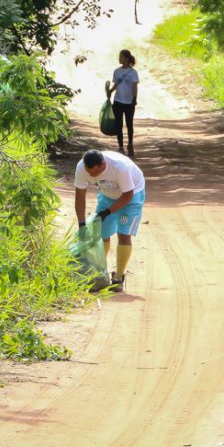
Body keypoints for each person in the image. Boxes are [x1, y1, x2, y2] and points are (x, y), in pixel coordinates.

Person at [74, 149, 146, 292]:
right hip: (107, 195)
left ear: (103, 165)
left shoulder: (119, 168)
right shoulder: (81, 168)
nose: (91, 176)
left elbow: (128, 195)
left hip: (132, 194)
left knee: (124, 234)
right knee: (101, 234)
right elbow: (80, 196)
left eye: (95, 173)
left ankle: (119, 277)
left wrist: (108, 212)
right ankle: (99, 273)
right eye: (89, 173)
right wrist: (81, 224)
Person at [107, 49, 139, 156]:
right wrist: (110, 91)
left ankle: (130, 145)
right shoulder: (117, 71)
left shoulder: (133, 73)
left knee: (129, 124)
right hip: (118, 101)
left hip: (129, 102)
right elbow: (116, 84)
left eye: (121, 57)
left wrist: (134, 98)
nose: (119, 59)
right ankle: (120, 147)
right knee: (118, 124)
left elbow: (134, 86)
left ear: (126, 58)